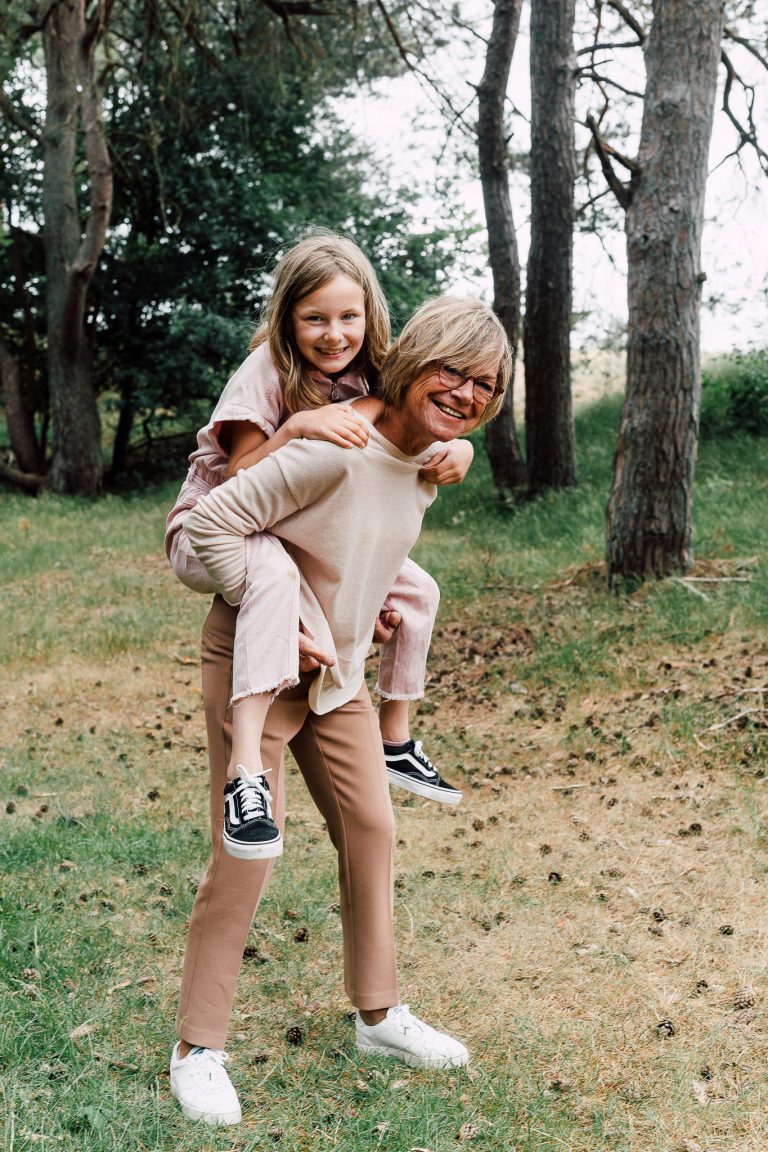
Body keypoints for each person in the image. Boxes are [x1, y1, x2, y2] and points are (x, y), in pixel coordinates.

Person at [168, 294, 513, 1126]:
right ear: (412, 358)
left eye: (485, 385)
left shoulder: (426, 460)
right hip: (260, 660)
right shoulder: (336, 443)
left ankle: (379, 1015)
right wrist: (279, 607)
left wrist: (368, 615)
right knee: (247, 853)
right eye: (451, 372)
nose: (466, 394)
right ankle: (198, 1050)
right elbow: (212, 525)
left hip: (342, 675)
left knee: (371, 828)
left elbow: (358, 553)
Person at [165, 233, 472, 861]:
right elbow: (237, 482)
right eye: (315, 319)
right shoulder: (266, 374)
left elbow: (418, 418)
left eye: (349, 318)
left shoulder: (369, 371)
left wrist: (461, 448)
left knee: (417, 590)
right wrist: (300, 424)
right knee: (276, 582)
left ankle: (398, 737)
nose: (334, 334)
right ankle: (244, 772)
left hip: (282, 529)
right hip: (213, 527)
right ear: (287, 320)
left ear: (369, 316)